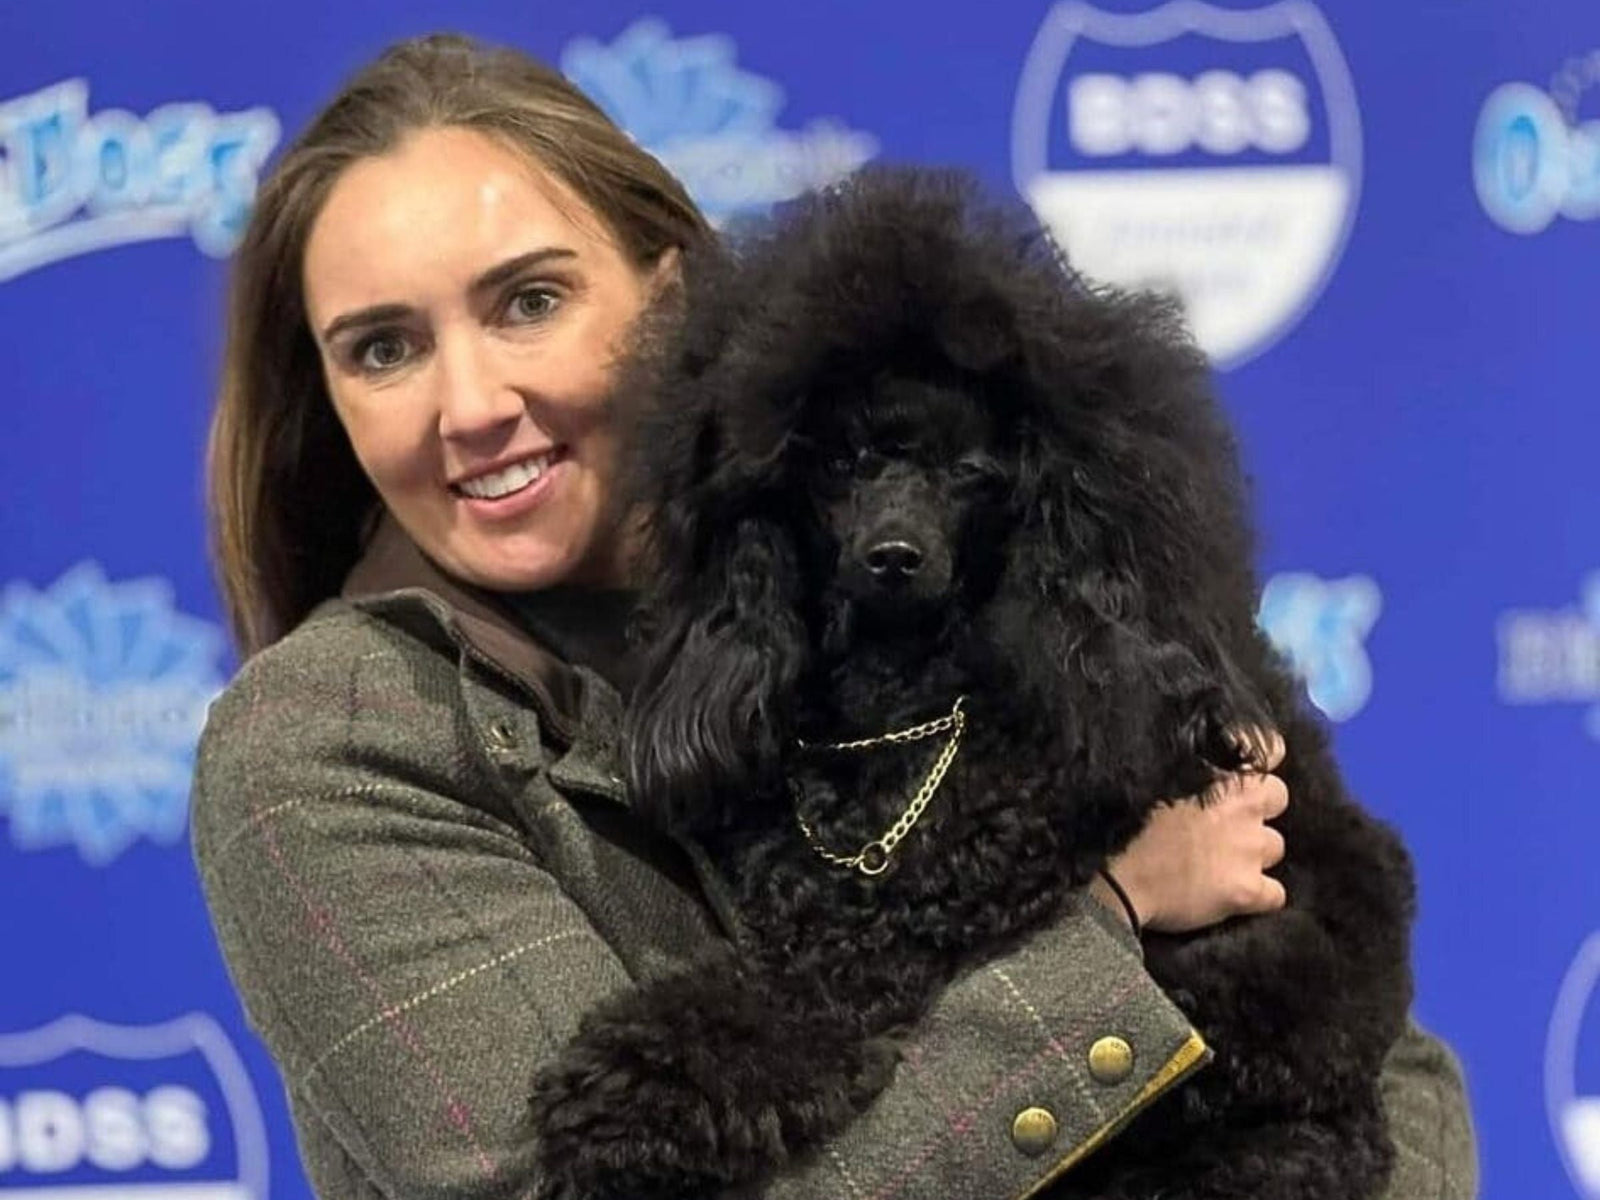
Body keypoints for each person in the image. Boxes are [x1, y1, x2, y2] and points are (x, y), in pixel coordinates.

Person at [191, 33, 1477, 1200]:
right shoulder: (328, 746)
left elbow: (1388, 1062)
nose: (468, 402)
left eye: (529, 301)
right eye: (382, 348)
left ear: (670, 297)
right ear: (328, 397)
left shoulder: (965, 613)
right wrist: (1104, 922)